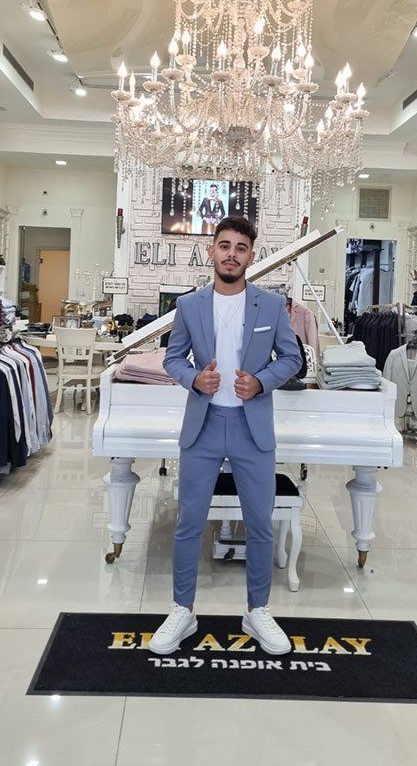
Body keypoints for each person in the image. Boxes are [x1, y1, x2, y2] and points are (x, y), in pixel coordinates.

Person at [149, 216, 302, 656]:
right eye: (225, 245)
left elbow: (291, 358)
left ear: (251, 256)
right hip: (204, 426)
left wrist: (262, 381)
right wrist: (194, 379)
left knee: (260, 524)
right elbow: (172, 358)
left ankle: (257, 610)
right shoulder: (189, 305)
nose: (232, 254)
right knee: (188, 522)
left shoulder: (271, 305)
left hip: (253, 429)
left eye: (240, 247)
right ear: (212, 251)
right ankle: (183, 610)